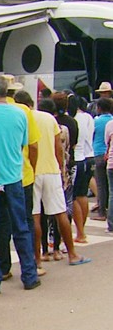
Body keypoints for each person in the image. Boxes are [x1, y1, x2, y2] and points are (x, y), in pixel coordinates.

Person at [0, 74, 40, 294]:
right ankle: (29, 275)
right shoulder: (21, 113)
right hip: (14, 177)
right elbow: (24, 144)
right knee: (20, 226)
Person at [31, 99, 91, 266]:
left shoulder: (26, 117)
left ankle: (37, 259)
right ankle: (72, 254)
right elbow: (58, 147)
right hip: (51, 170)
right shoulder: (50, 119)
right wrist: (60, 168)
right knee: (60, 212)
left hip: (33, 171)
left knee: (35, 216)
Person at [73, 96, 95, 243]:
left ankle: (80, 232)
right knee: (82, 195)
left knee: (73, 197)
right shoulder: (88, 117)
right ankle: (82, 230)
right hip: (90, 156)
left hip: (78, 157)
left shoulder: (74, 119)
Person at [92, 97, 113, 221]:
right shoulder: (111, 120)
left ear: (99, 108)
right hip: (109, 154)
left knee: (101, 185)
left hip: (98, 153)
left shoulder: (96, 121)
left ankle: (102, 212)